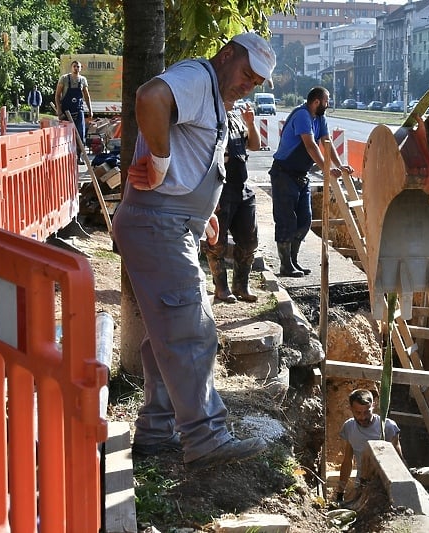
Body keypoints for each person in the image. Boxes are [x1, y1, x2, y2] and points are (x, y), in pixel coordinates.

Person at [111, 32, 277, 470]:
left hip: (170, 223)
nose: (249, 85)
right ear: (226, 56)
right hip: (157, 224)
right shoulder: (197, 78)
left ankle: (156, 429)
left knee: (164, 334)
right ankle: (205, 439)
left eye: (257, 82)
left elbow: (194, 155)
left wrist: (200, 212)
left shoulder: (211, 90)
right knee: (191, 329)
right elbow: (150, 97)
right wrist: (160, 161)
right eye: (246, 74)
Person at [269, 86, 354, 277]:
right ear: (316, 101)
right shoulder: (302, 115)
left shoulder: (320, 118)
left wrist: (339, 166)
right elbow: (310, 145)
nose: (328, 104)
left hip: (301, 176)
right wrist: (326, 169)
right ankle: (285, 265)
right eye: (327, 100)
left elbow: (327, 142)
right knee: (286, 221)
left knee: (305, 221)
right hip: (284, 174)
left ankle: (293, 261)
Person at [204, 101, 261, 303]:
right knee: (216, 243)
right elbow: (206, 159)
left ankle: (241, 286)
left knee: (249, 241)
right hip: (222, 188)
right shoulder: (210, 119)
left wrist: (251, 123)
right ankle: (221, 287)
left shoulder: (237, 119)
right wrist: (212, 195)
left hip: (242, 188)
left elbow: (254, 145)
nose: (236, 100)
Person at [337, 389, 403, 502]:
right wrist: (340, 492)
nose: (362, 417)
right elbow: (347, 461)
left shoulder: (388, 427)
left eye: (367, 412)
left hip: (384, 489)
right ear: (350, 409)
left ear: (373, 405)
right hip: (361, 488)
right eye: (358, 413)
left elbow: (399, 462)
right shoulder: (349, 427)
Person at [54, 61, 93, 163]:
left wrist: (90, 110)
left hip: (78, 110)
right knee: (65, 135)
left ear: (81, 68)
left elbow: (86, 96)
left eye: (78, 67)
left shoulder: (83, 80)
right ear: (71, 68)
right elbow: (57, 95)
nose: (76, 68)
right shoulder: (64, 79)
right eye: (74, 66)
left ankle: (78, 157)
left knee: (80, 134)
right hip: (66, 111)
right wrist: (59, 111)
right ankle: (64, 157)